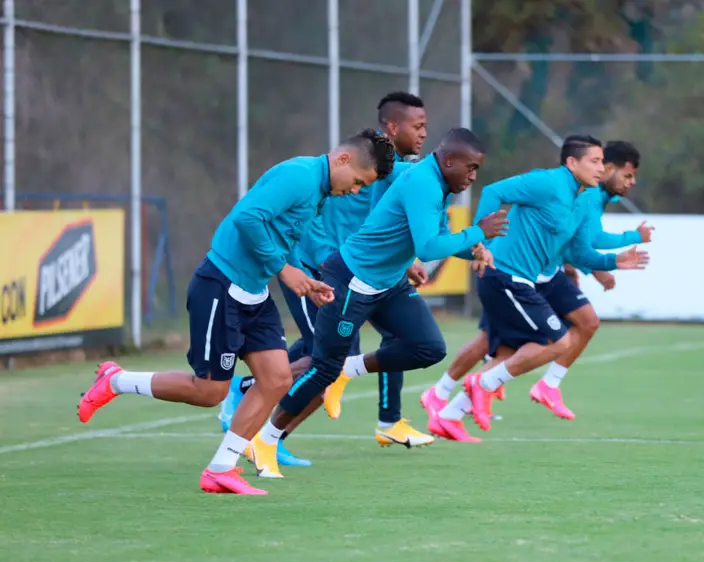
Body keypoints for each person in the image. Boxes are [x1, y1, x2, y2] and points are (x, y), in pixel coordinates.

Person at [77, 129, 397, 495]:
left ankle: (220, 469)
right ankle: (116, 380)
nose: (355, 190)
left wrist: (307, 280)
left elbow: (284, 238)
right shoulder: (299, 176)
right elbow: (247, 218)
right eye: (358, 182)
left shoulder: (320, 192)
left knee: (277, 379)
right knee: (209, 392)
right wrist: (283, 269)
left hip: (254, 294)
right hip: (221, 286)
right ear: (343, 159)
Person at [242, 128, 507, 479]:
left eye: (477, 170)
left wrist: (474, 250)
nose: (473, 176)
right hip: (351, 280)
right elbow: (428, 248)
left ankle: (349, 370)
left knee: (427, 347)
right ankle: (265, 439)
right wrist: (478, 232)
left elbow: (439, 238)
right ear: (449, 161)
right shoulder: (424, 182)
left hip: (388, 282)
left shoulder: (437, 183)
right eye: (470, 168)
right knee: (323, 368)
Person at [218, 92, 434, 464]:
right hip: (316, 269)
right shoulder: (349, 168)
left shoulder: (390, 173)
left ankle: (386, 420)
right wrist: (326, 262)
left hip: (356, 272)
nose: (424, 134)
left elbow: (379, 227)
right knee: (330, 360)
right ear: (392, 127)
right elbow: (309, 219)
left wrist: (405, 259)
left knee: (365, 346)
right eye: (418, 126)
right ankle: (258, 418)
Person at [424, 135, 649, 443]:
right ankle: (473, 387)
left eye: (602, 162)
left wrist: (614, 261)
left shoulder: (584, 198)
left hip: (526, 282)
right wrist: (480, 243)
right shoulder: (547, 182)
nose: (601, 168)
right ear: (572, 163)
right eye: (595, 161)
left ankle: (449, 415)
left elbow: (580, 251)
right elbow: (493, 191)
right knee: (555, 342)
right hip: (503, 276)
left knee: (519, 348)